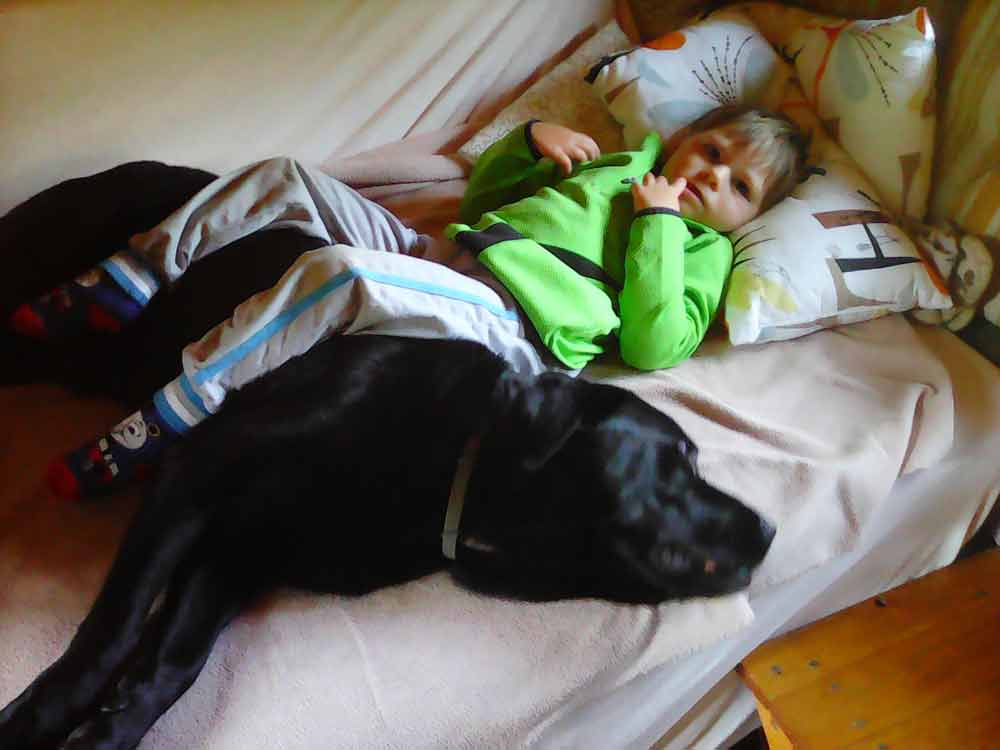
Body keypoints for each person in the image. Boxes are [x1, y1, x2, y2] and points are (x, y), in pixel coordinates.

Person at [8, 104, 809, 499]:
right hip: (442, 254)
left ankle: (171, 414)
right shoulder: (620, 166)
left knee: (339, 273)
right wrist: (530, 143)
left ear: (750, 218)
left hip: (510, 326)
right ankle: (130, 277)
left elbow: (654, 341)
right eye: (710, 150)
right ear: (684, 138)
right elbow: (488, 199)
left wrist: (661, 225)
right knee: (284, 176)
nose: (710, 176)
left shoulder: (703, 255)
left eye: (738, 186)